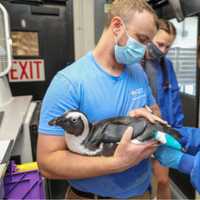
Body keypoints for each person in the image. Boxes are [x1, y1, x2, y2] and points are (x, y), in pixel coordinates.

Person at [37, 0, 163, 199]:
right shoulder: (69, 82)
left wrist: (150, 117)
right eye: (141, 39)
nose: (144, 49)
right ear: (116, 26)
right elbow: (47, 162)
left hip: (141, 192)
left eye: (148, 42)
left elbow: (156, 113)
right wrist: (117, 163)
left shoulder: (138, 72)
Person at [143, 19, 200, 198]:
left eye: (168, 46)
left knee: (163, 180)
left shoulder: (166, 66)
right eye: (160, 44)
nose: (163, 50)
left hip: (164, 134)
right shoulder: (132, 64)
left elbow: (174, 99)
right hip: (139, 134)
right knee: (141, 183)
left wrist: (176, 132)